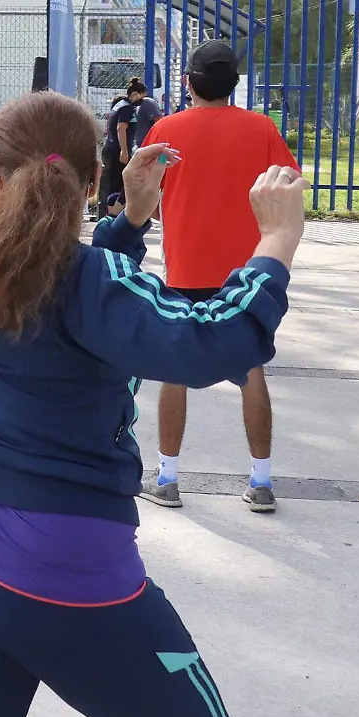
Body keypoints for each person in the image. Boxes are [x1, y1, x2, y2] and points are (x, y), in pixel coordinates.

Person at [0, 89, 306, 717]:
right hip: (64, 579)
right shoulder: (85, 280)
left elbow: (56, 304)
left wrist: (130, 222)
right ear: (89, 181)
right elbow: (215, 336)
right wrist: (274, 243)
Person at [140, 40, 300, 514]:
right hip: (245, 274)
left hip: (185, 268)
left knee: (173, 372)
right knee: (251, 372)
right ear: (234, 85)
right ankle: (262, 481)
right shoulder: (261, 128)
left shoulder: (167, 130)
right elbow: (290, 182)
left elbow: (143, 192)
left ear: (188, 82)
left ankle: (167, 477)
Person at [99, 78, 160, 216]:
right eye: (142, 96)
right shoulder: (126, 107)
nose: (142, 101)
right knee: (118, 183)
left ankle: (105, 214)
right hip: (117, 150)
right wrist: (124, 151)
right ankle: (112, 215)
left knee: (110, 182)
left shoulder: (119, 104)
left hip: (110, 147)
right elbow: (121, 128)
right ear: (135, 94)